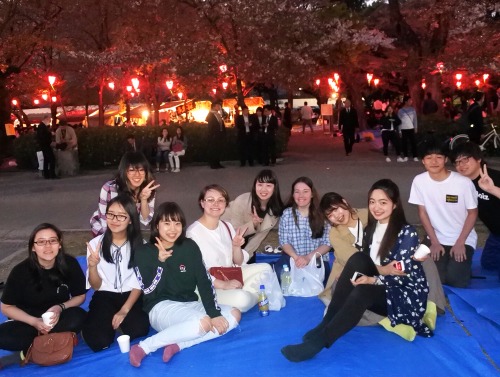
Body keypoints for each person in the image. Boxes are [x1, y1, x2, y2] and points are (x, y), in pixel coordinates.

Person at [281, 179, 432, 362]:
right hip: (379, 282)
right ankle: (325, 324)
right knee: (359, 259)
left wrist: (372, 280)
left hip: (402, 296)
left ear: (395, 204)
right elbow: (361, 259)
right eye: (372, 202)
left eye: (383, 202)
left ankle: (319, 342)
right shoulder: (372, 227)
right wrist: (359, 275)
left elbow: (402, 278)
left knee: (362, 291)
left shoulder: (406, 233)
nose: (376, 207)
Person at [129, 202, 241, 367]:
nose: (172, 229)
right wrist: (159, 263)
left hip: (189, 304)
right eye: (166, 223)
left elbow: (204, 281)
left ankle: (180, 344)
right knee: (202, 323)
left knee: (234, 314)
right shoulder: (143, 252)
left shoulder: (189, 247)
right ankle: (145, 346)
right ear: (156, 225)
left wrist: (214, 312)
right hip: (160, 307)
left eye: (177, 223)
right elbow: (148, 289)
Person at [0, 223, 87, 368]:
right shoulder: (20, 271)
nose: (47, 246)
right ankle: (49, 342)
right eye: (41, 242)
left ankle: (32, 347)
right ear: (33, 247)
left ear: (59, 244)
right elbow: (7, 307)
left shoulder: (69, 264)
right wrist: (34, 321)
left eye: (53, 240)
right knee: (3, 336)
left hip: (57, 318)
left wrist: (60, 307)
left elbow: (80, 296)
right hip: (28, 322)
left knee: (79, 317)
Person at [187, 184, 273, 313]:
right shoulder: (193, 233)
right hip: (209, 285)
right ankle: (257, 295)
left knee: (266, 268)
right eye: (210, 200)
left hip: (230, 274)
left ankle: (249, 294)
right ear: (202, 203)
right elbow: (196, 271)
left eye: (220, 200)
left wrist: (236, 247)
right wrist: (224, 285)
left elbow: (238, 262)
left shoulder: (226, 226)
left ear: (225, 204)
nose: (216, 204)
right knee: (242, 299)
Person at [83, 195, 150, 352]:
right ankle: (102, 323)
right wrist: (92, 266)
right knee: (98, 342)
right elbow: (96, 285)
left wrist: (124, 310)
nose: (114, 219)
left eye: (121, 216)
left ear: (131, 219)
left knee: (139, 330)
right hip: (104, 295)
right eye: (111, 214)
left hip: (131, 294)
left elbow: (138, 284)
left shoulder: (141, 246)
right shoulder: (95, 244)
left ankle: (118, 322)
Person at [409, 141, 478, 287]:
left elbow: (473, 213)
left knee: (457, 281)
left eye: (439, 157)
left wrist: (460, 243)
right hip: (436, 237)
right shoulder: (419, 181)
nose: (434, 161)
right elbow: (422, 213)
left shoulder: (463, 182)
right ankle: (448, 263)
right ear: (423, 161)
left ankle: (462, 265)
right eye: (429, 157)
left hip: (462, 238)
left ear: (445, 159)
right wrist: (433, 241)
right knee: (431, 278)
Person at [451, 142, 500, 276]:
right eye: (457, 162)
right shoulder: (464, 183)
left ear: (478, 159)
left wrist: (492, 189)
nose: (461, 165)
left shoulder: (494, 177)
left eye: (465, 159)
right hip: (496, 234)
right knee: (488, 265)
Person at [276, 177, 331, 285]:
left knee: (321, 282)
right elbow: (284, 241)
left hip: (316, 258)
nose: (301, 196)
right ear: (293, 195)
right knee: (279, 274)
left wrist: (308, 258)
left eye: (305, 191)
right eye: (297, 192)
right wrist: (297, 258)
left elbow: (327, 243)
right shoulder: (287, 214)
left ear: (312, 194)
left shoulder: (322, 214)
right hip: (292, 257)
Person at [90, 151, 159, 237]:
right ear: (124, 172)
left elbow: (146, 220)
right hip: (103, 228)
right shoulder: (109, 188)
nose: (137, 174)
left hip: (127, 227)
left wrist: (144, 199)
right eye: (131, 170)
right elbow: (104, 220)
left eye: (141, 170)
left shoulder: (148, 189)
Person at [221, 170, 284, 261]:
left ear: (275, 188)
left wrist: (246, 257)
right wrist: (253, 224)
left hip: (244, 245)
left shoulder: (274, 210)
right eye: (260, 185)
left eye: (268, 185)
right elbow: (234, 233)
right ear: (255, 186)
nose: (263, 189)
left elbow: (259, 237)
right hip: (226, 237)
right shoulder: (242, 201)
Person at [398, 95, 418, 162]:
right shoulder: (400, 111)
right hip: (403, 129)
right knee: (404, 143)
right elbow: (399, 121)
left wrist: (415, 127)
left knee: (413, 143)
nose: (411, 102)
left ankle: (415, 156)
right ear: (406, 102)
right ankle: (405, 156)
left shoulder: (412, 110)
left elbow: (415, 119)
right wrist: (399, 131)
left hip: (411, 128)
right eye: (409, 100)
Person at [206, 102, 226, 169]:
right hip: (214, 135)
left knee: (218, 149)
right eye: (218, 106)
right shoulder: (211, 114)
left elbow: (221, 123)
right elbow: (210, 126)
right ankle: (213, 164)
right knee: (213, 149)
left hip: (219, 134)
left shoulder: (218, 114)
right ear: (214, 107)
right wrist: (212, 135)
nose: (219, 107)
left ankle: (217, 163)